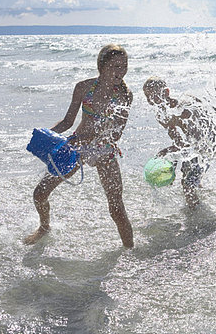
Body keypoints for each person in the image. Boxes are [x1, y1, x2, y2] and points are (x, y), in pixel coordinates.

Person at [24, 44, 134, 248]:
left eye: (124, 66)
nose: (121, 71)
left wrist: (90, 138)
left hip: (104, 149)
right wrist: (46, 135)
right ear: (102, 66)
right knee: (40, 193)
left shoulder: (125, 95)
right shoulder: (84, 87)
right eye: (115, 66)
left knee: (117, 208)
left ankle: (130, 251)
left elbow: (116, 134)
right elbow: (67, 122)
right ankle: (44, 228)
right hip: (77, 147)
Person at [143, 77, 216, 207]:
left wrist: (169, 152)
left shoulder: (181, 108)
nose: (151, 100)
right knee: (188, 178)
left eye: (154, 95)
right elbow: (179, 142)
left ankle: (197, 217)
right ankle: (199, 201)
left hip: (207, 144)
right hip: (194, 146)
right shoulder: (161, 115)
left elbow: (197, 137)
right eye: (147, 97)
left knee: (187, 185)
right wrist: (170, 159)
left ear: (166, 92)